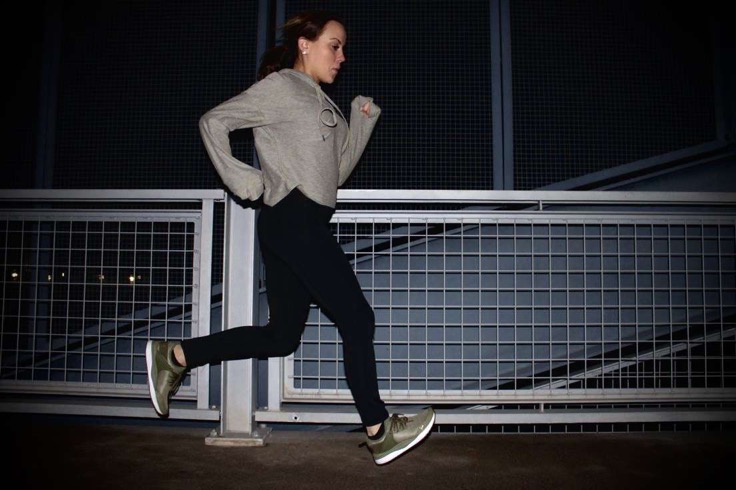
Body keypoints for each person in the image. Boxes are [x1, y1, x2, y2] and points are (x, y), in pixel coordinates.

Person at [145, 10, 434, 465]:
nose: (341, 57)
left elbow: (335, 174)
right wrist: (244, 180)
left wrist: (360, 123)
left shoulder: (324, 104)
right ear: (305, 43)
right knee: (357, 318)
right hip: (291, 218)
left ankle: (176, 355)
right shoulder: (280, 87)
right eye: (333, 45)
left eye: (343, 49)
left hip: (303, 223)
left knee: (281, 337)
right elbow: (213, 122)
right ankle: (379, 428)